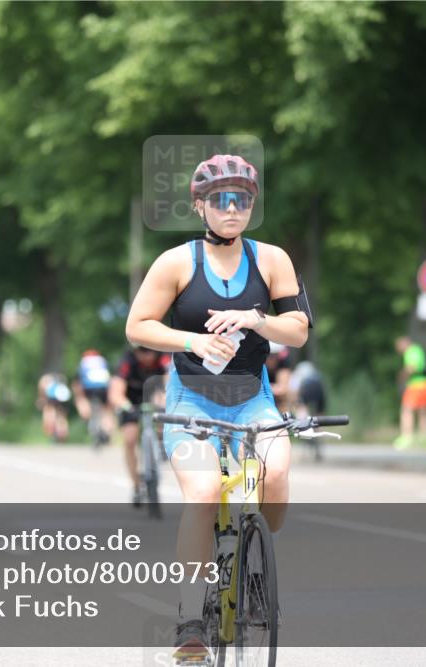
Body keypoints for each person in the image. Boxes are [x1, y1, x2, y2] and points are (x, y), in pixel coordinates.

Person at [125, 154, 310, 663]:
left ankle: (254, 562)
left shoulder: (271, 259)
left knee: (276, 475)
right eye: (222, 200)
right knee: (204, 492)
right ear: (200, 205)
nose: (233, 208)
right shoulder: (176, 262)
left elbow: (297, 328)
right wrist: (193, 341)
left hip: (253, 397)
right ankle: (190, 619)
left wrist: (256, 319)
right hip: (191, 400)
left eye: (243, 199)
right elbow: (138, 325)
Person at [108, 345, 170, 505]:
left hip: (153, 396)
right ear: (136, 352)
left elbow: (169, 383)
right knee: (129, 438)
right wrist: (126, 407)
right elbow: (115, 393)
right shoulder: (127, 361)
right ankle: (136, 486)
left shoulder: (163, 357)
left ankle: (161, 446)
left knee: (163, 415)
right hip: (131, 400)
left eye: (150, 351)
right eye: (142, 352)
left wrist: (164, 402)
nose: (147, 356)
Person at [395, 336, 426, 449]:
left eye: (399, 347)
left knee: (406, 410)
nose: (398, 350)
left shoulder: (411, 351)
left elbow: (411, 367)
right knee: (422, 412)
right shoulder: (418, 349)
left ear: (404, 343)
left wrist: (402, 376)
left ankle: (407, 437)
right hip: (425, 384)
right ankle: (424, 438)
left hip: (415, 385)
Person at [73, 349, 113, 446]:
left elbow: (78, 381)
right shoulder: (102, 361)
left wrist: (78, 396)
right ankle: (107, 431)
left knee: (80, 400)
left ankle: (87, 417)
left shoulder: (84, 362)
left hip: (89, 389)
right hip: (104, 387)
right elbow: (110, 378)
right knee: (107, 411)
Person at [37, 372, 71, 442]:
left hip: (55, 398)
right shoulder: (48, 382)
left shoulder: (45, 381)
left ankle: (58, 432)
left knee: (52, 415)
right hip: (58, 397)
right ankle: (59, 433)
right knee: (59, 416)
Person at [265, 342, 293, 413]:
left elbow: (282, 389)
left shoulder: (283, 363)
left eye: (275, 355)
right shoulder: (257, 362)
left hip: (277, 398)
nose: (272, 358)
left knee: (286, 397)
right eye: (269, 355)